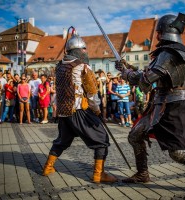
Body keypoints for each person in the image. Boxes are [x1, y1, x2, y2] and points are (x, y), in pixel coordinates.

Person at [115, 13, 185, 199]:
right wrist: (128, 67)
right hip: (162, 103)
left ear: (162, 33)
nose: (156, 35)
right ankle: (142, 173)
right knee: (135, 135)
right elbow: (150, 75)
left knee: (178, 153)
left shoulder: (169, 54)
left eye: (158, 32)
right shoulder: (171, 52)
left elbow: (145, 82)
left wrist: (126, 74)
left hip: (174, 105)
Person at [42, 31, 117, 184]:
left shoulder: (60, 67)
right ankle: (98, 175)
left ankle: (48, 167)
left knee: (62, 141)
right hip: (79, 111)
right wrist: (96, 110)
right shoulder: (83, 67)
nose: (86, 52)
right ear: (79, 50)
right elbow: (91, 92)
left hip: (64, 112)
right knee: (102, 140)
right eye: (84, 49)